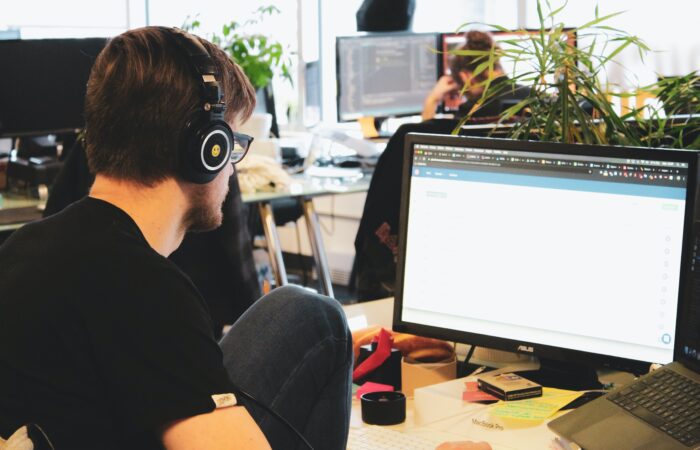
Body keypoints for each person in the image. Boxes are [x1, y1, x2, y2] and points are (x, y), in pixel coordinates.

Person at [0, 27, 352, 450]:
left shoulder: (23, 247)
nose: (232, 170)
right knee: (318, 318)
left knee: (300, 309)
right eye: (234, 146)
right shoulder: (142, 285)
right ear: (207, 150)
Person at [422, 30, 529, 121]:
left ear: (465, 76)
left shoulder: (471, 111)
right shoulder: (532, 95)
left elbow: (425, 137)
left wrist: (432, 100)